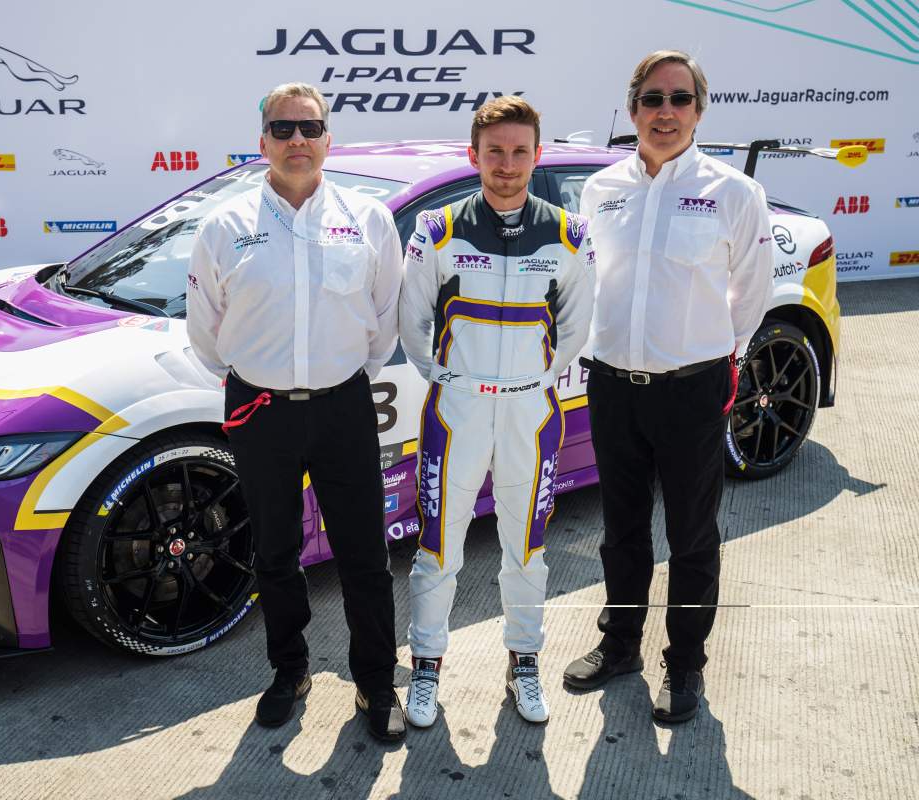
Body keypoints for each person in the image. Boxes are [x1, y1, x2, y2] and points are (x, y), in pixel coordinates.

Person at [186, 82, 407, 741]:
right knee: (275, 552)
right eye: (282, 129)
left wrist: (333, 380)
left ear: (328, 140)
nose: (297, 141)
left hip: (342, 406)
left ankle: (374, 684)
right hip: (260, 410)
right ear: (262, 144)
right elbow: (205, 334)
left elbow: (384, 322)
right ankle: (290, 671)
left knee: (365, 555)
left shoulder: (368, 220)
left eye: (309, 128)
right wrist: (266, 378)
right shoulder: (224, 227)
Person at [562, 50, 773, 723]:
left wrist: (715, 355)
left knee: (691, 534)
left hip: (692, 388)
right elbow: (590, 280)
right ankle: (620, 643)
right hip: (613, 387)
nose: (665, 111)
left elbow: (753, 291)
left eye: (680, 99)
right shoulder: (603, 189)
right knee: (621, 530)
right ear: (633, 109)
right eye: (653, 99)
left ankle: (685, 667)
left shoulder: (732, 192)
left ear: (699, 110)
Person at [398, 96, 594, 727]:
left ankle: (524, 661)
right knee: (438, 544)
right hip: (455, 411)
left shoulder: (569, 233)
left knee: (527, 545)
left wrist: (524, 382)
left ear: (537, 156)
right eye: (494, 153)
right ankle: (426, 665)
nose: (506, 166)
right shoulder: (437, 229)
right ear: (473, 155)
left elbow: (575, 327)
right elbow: (412, 319)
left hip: (529, 414)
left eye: (519, 152)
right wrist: (451, 378)